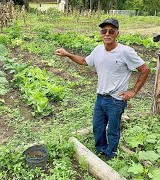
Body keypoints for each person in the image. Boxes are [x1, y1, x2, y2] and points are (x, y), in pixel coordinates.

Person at [55, 18, 150, 160]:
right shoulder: (98, 50)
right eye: (104, 31)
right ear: (101, 33)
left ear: (117, 33)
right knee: (98, 127)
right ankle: (100, 150)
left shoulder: (125, 52)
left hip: (116, 100)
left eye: (111, 31)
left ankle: (110, 154)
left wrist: (133, 91)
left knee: (113, 130)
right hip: (100, 98)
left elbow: (145, 69)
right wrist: (67, 54)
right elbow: (84, 61)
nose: (107, 34)